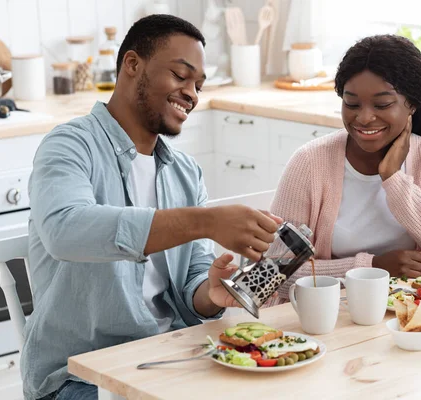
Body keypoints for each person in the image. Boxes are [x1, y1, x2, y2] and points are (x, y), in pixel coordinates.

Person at [22, 15, 281, 400]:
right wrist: (205, 221)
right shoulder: (70, 145)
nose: (191, 93)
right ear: (132, 65)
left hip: (168, 359)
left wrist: (211, 294)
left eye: (198, 85)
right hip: (80, 375)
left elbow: (193, 280)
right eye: (180, 75)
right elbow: (64, 230)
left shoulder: (185, 172)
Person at [269, 34, 421, 303]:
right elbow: (273, 275)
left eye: (382, 105)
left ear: (412, 105)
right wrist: (372, 267)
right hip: (324, 322)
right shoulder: (309, 163)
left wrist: (394, 180)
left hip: (406, 322)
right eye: (352, 103)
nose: (364, 117)